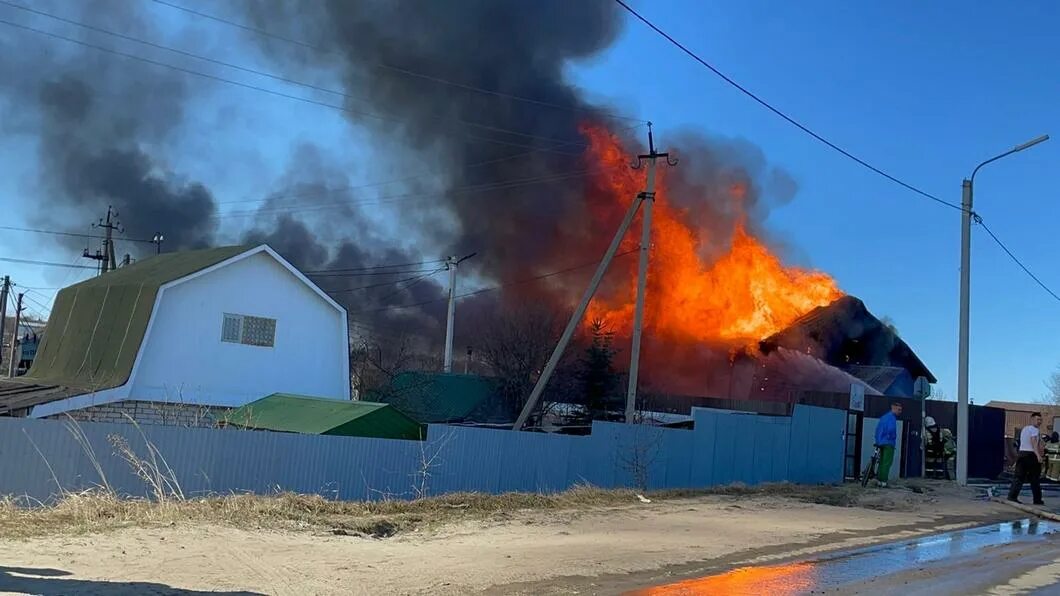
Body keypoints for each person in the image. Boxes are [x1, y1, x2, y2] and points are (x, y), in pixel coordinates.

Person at [1007, 412, 1045, 505]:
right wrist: (1038, 455)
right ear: (1032, 420)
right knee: (1034, 478)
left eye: (1040, 420)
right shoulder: (1034, 430)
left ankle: (1012, 496)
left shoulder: (1024, 429)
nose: (1039, 422)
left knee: (1018, 477)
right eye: (1037, 419)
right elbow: (1034, 442)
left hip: (1022, 454)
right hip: (1031, 455)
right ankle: (1037, 500)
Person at [875, 402, 902, 487]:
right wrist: (892, 437)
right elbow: (891, 430)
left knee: (881, 461)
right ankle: (884, 481)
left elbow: (878, 429)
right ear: (893, 407)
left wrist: (878, 440)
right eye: (899, 409)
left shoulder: (884, 417)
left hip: (880, 442)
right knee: (887, 462)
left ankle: (879, 480)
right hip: (888, 443)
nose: (900, 412)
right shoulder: (892, 418)